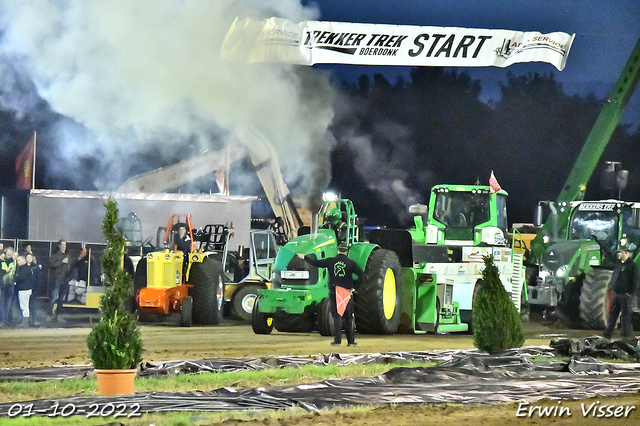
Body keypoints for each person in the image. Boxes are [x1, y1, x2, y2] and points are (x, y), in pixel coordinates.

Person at [298, 243, 364, 346]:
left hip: (334, 291)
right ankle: (351, 341)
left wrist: (304, 257)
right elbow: (362, 275)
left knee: (337, 316)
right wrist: (355, 287)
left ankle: (337, 341)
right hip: (346, 293)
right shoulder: (351, 263)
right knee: (348, 318)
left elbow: (316, 263)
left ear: (338, 250)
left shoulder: (331, 261)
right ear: (347, 252)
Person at [602, 239, 639, 340]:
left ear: (626, 253)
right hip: (615, 294)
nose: (618, 254)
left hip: (625, 295)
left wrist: (629, 293)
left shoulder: (632, 266)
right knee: (612, 315)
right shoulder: (618, 264)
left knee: (625, 316)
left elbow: (635, 281)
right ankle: (607, 334)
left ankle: (625, 336)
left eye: (620, 252)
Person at [48, 239, 71, 321]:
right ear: (59, 246)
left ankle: (59, 315)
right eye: (62, 245)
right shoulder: (55, 255)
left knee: (61, 299)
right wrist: (62, 262)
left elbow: (70, 267)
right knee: (54, 297)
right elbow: (51, 264)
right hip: (57, 279)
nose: (64, 246)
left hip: (65, 280)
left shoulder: (68, 255)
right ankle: (49, 314)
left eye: (65, 244)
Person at [14, 255, 37, 327]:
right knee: (25, 306)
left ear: (24, 260)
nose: (18, 262)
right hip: (26, 289)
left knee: (24, 306)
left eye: (19, 260)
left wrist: (16, 277)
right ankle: (25, 321)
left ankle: (25, 322)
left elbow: (21, 278)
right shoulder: (27, 268)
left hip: (24, 289)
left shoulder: (25, 269)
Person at [1, 247, 17, 326]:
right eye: (8, 253)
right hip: (2, 285)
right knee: (2, 303)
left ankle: (5, 320)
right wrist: (5, 271)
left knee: (7, 303)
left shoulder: (14, 262)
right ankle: (3, 320)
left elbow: (15, 272)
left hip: (10, 285)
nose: (9, 254)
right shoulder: (1, 261)